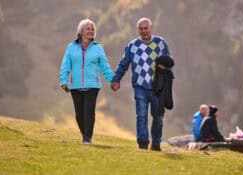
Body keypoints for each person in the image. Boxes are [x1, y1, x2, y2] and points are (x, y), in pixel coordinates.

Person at [111, 18, 171, 151]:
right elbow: (123, 64)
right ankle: (143, 144)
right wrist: (116, 79)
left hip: (158, 88)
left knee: (158, 117)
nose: (143, 31)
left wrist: (167, 79)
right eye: (141, 29)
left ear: (151, 28)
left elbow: (169, 63)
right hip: (140, 87)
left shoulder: (161, 43)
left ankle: (156, 144)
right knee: (141, 115)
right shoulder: (132, 45)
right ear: (137, 29)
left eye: (146, 28)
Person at [60, 18, 114, 145]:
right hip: (75, 86)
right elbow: (65, 65)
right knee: (79, 114)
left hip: (92, 85)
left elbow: (104, 66)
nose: (91, 31)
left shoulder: (98, 48)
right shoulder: (71, 47)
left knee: (89, 112)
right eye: (88, 29)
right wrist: (64, 81)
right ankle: (84, 134)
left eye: (92, 29)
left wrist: (113, 80)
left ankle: (87, 138)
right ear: (81, 31)